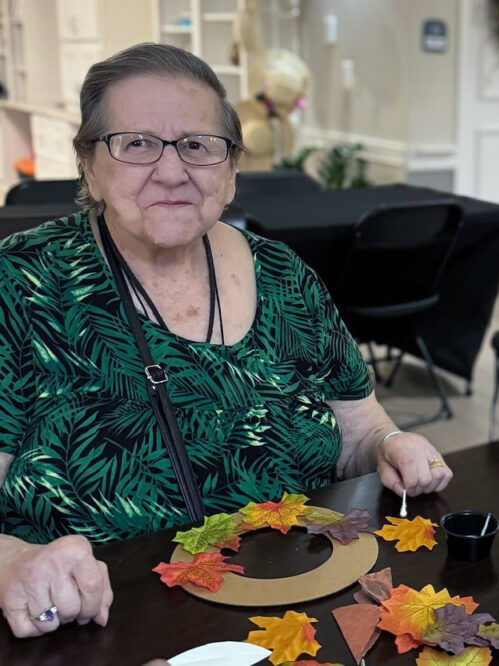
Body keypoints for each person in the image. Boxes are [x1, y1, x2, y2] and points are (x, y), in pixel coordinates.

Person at [0, 43, 453, 639]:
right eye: (136, 143)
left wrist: (390, 442)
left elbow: (359, 427)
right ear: (89, 163)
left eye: (198, 145)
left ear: (232, 168)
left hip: (302, 611)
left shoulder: (286, 275)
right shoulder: (20, 285)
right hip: (104, 628)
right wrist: (9, 561)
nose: (171, 170)